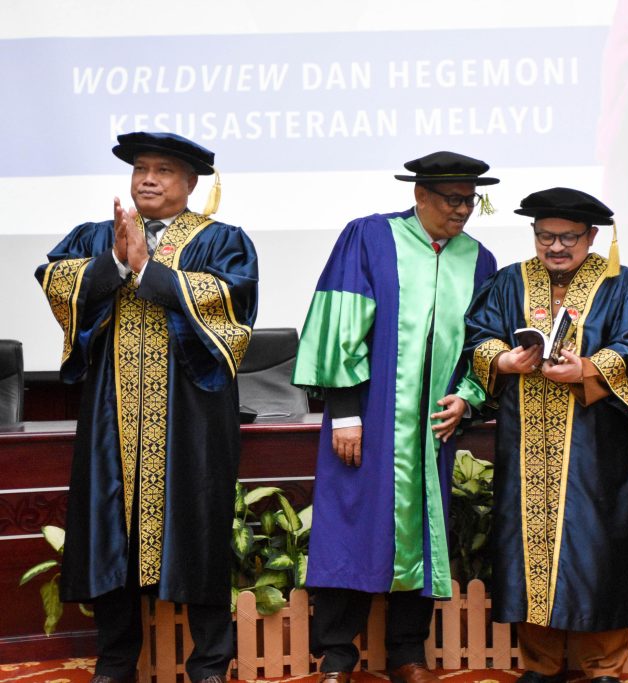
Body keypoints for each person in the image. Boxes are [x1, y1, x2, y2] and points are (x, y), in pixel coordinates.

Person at [35, 131, 259, 683]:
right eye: (141, 169)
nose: (149, 179)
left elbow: (231, 303)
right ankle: (116, 662)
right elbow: (55, 281)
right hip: (111, 414)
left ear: (191, 183)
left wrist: (149, 271)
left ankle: (209, 664)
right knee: (109, 527)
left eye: (163, 170)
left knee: (199, 523)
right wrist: (115, 262)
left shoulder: (221, 241)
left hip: (193, 415)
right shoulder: (98, 236)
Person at [293, 151, 498, 683]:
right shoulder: (370, 237)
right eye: (452, 199)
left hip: (432, 428)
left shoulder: (478, 260)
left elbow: (483, 344)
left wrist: (468, 397)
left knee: (423, 531)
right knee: (351, 525)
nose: (463, 210)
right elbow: (339, 323)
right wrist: (344, 413)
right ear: (420, 195)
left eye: (470, 200)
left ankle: (407, 652)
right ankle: (338, 656)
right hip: (369, 416)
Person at [464, 187, 628, 683]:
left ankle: (602, 664)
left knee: (598, 546)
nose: (555, 247)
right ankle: (540, 662)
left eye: (568, 237)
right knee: (525, 545)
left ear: (591, 236)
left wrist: (588, 369)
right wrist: (502, 359)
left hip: (598, 447)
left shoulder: (624, 286)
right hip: (525, 442)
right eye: (545, 236)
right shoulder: (509, 282)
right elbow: (478, 336)